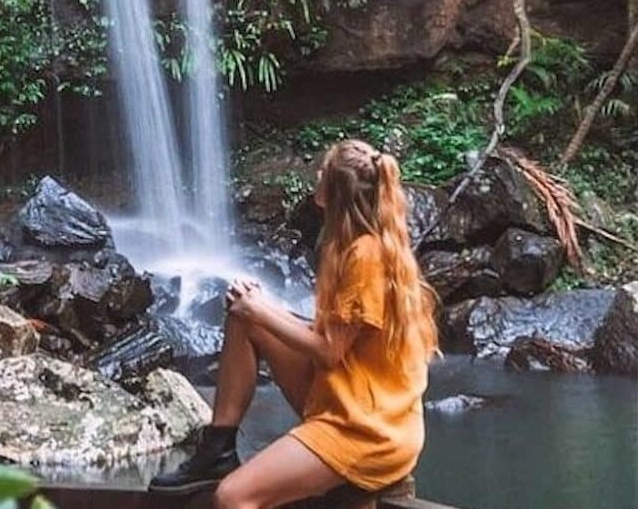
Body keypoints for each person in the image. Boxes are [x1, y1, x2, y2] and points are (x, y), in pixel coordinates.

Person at [149, 140, 439, 509]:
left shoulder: (366, 255)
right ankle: (217, 449)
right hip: (344, 396)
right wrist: (257, 309)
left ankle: (226, 466)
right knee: (243, 316)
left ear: (333, 193)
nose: (315, 176)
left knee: (233, 498)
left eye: (322, 172)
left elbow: (330, 351)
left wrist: (263, 310)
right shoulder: (346, 245)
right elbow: (333, 341)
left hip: (367, 429)